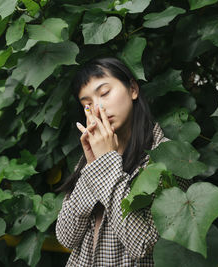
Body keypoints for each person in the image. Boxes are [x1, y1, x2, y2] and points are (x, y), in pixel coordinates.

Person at [55, 57, 169, 266]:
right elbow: (66, 237)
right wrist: (92, 166)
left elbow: (140, 244)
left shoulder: (166, 156)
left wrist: (106, 163)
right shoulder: (90, 158)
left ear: (133, 89)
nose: (97, 108)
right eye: (87, 105)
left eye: (105, 93)